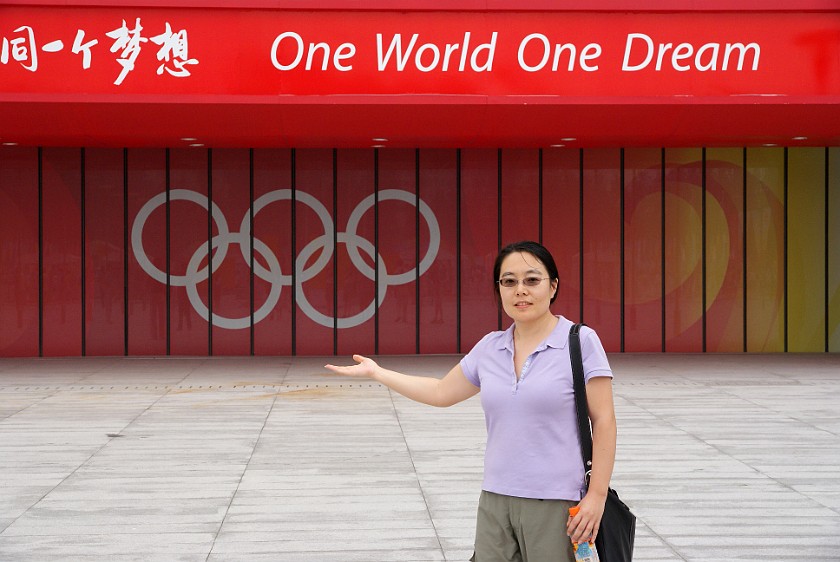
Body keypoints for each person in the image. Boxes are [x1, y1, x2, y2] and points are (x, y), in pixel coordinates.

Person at [325, 240, 617, 562]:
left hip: (558, 503)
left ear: (553, 286)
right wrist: (379, 373)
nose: (520, 290)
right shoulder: (490, 348)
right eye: (509, 281)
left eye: (532, 280)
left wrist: (597, 496)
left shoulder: (580, 341)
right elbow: (440, 392)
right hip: (495, 500)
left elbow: (603, 420)